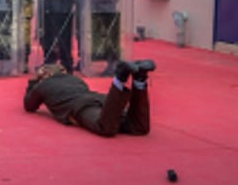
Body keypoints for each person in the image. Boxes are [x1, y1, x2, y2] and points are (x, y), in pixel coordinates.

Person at [23, 59, 156, 137]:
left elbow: (29, 105)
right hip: (104, 100)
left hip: (82, 106)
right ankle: (140, 79)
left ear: (46, 74)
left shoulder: (44, 85)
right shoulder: (75, 79)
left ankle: (120, 77)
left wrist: (35, 82)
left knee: (106, 128)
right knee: (138, 127)